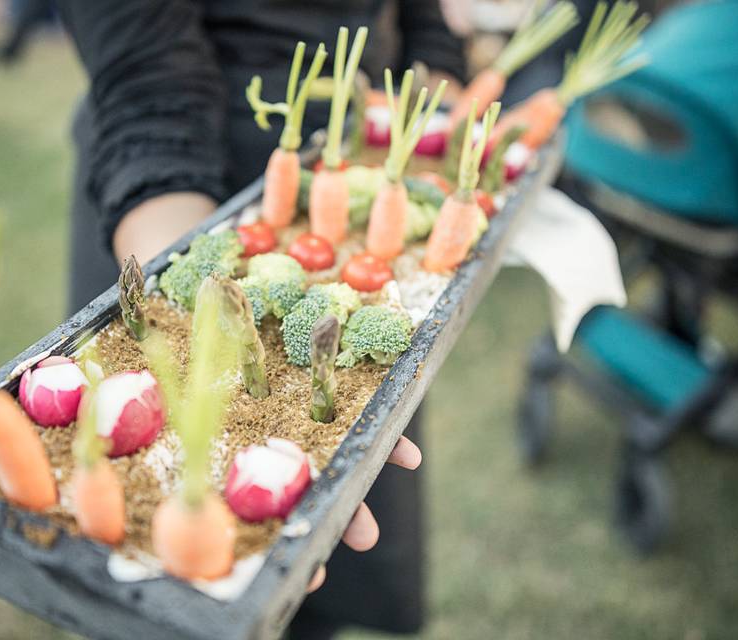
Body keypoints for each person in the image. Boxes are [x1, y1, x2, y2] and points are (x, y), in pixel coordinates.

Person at [55, 1, 467, 636]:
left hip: (352, 170)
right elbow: (148, 82)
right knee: (171, 583)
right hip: (184, 202)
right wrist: (209, 313)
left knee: (317, 552)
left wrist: (439, 72)